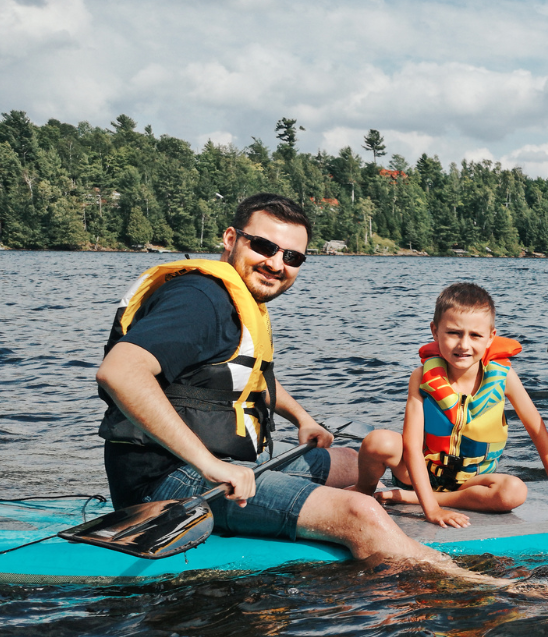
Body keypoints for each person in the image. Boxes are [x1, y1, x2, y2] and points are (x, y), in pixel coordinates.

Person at [96, 192, 506, 581]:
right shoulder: (200, 299)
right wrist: (212, 466)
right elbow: (121, 372)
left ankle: (415, 504)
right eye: (264, 246)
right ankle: (461, 581)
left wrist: (302, 418)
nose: (277, 263)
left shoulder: (235, 301)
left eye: (292, 256)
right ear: (230, 238)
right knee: (358, 511)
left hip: (227, 467)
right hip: (171, 483)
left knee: (350, 460)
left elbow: (246, 378)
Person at [354, 282, 548, 528]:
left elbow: (537, 431)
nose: (464, 345)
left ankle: (415, 498)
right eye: (454, 333)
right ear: (435, 332)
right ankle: (363, 490)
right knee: (378, 441)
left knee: (513, 491)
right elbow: (412, 447)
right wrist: (432, 511)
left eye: (475, 335)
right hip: (421, 473)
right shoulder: (421, 377)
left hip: (471, 481)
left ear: (491, 337)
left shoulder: (504, 378)